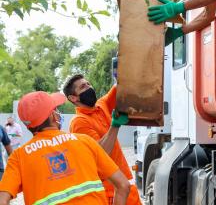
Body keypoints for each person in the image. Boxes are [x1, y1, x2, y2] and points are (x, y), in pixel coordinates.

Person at [0, 91, 130, 205]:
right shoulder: (84, 141)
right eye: (56, 109)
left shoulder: (18, 157)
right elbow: (123, 185)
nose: (58, 112)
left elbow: (2, 200)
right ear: (52, 116)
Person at [63, 74, 141, 205]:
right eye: (83, 87)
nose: (89, 87)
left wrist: (124, 71)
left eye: (88, 84)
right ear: (73, 97)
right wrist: (115, 126)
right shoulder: (79, 122)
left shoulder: (101, 105)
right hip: (111, 193)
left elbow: (122, 86)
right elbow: (101, 153)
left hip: (126, 185)